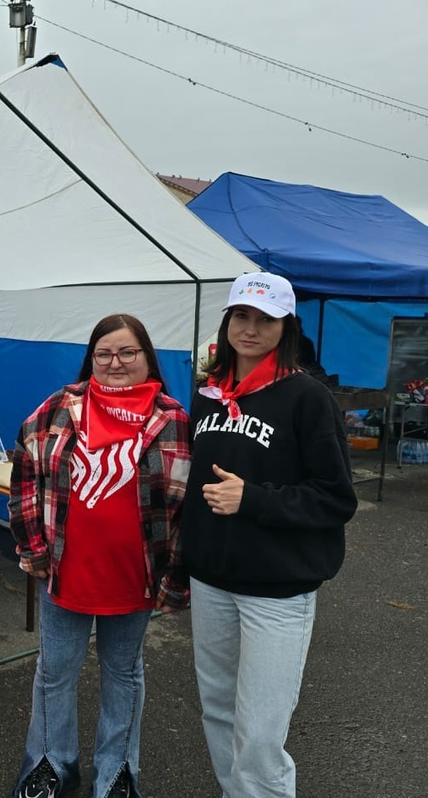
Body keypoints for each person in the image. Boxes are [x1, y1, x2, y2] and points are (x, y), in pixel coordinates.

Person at [183, 272, 357, 798]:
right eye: (242, 316)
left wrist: (253, 499)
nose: (251, 329)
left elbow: (336, 498)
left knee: (259, 730)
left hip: (277, 590)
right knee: (217, 709)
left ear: (287, 327)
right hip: (212, 580)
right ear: (227, 321)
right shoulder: (209, 395)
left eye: (265, 319)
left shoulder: (307, 397)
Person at [9, 313, 191, 798]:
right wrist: (33, 547)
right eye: (104, 353)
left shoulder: (172, 419)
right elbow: (25, 473)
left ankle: (116, 775)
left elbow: (186, 507)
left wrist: (176, 576)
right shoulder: (58, 408)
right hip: (65, 573)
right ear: (90, 358)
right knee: (54, 672)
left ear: (146, 357)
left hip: (134, 578)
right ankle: (49, 766)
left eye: (127, 352)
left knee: (125, 676)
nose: (115, 362)